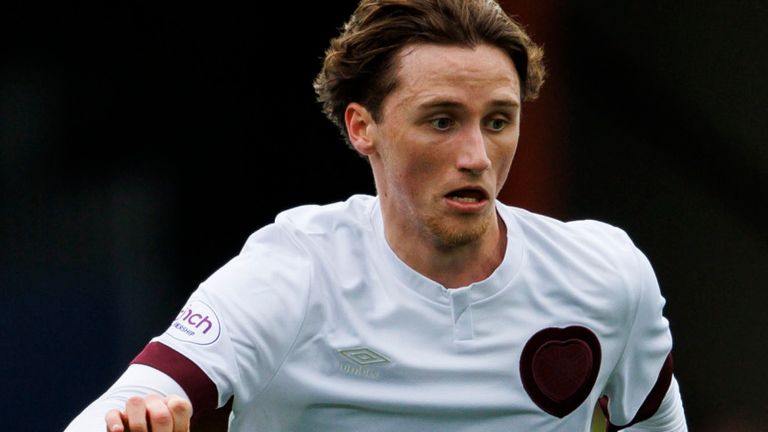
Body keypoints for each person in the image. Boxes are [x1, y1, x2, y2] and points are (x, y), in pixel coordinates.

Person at [65, 0, 688, 431]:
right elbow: (135, 399)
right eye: (441, 120)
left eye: (498, 121)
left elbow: (656, 422)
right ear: (362, 126)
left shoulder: (605, 274)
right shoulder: (295, 270)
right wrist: (139, 417)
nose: (476, 155)